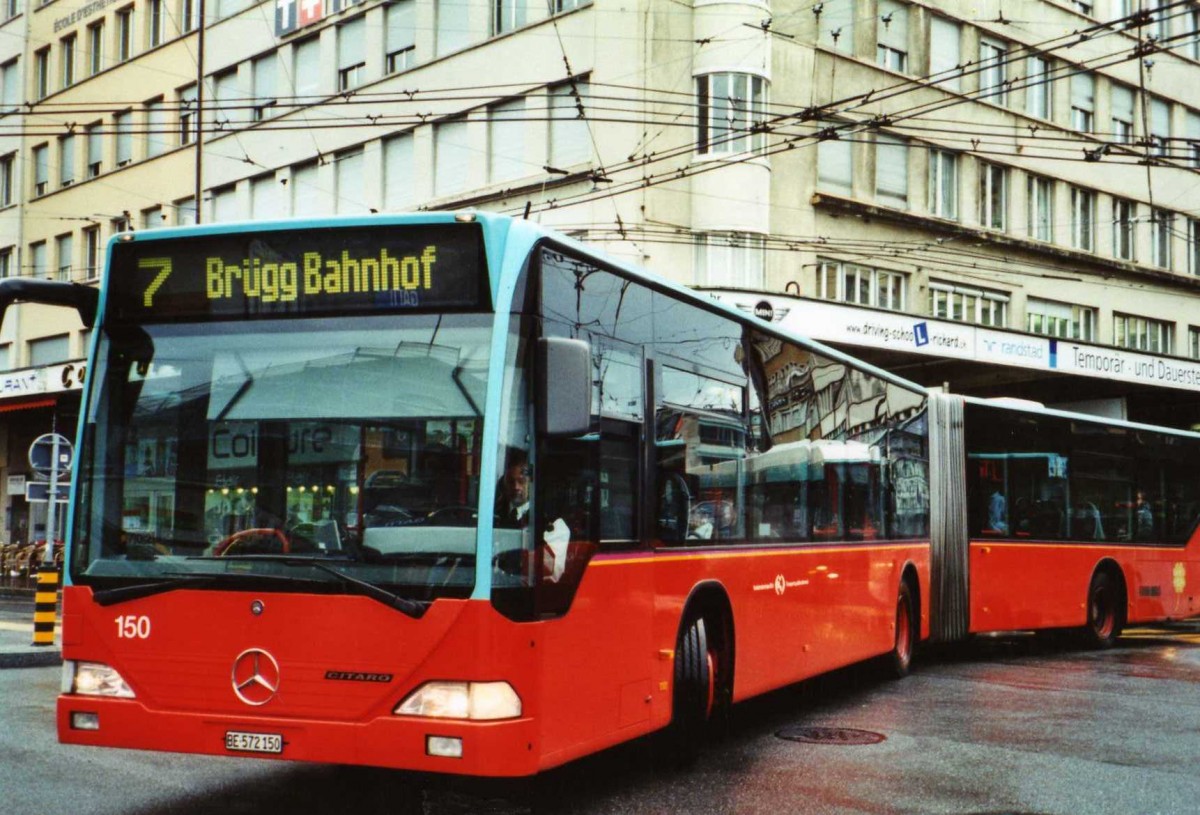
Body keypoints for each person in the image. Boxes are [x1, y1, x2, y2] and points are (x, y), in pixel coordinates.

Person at [494, 449, 531, 528]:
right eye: (511, 481)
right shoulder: (495, 511)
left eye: (521, 481)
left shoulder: (539, 516)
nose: (516, 487)